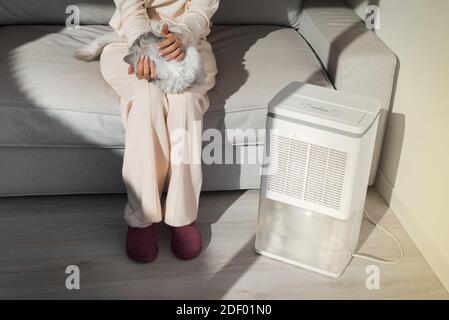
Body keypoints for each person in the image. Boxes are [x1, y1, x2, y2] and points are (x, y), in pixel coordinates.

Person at [100, 0, 219, 263]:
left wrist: (181, 37)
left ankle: (182, 215)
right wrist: (145, 46)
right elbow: (131, 10)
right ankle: (142, 217)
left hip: (189, 44)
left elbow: (200, 11)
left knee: (185, 100)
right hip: (131, 40)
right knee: (148, 97)